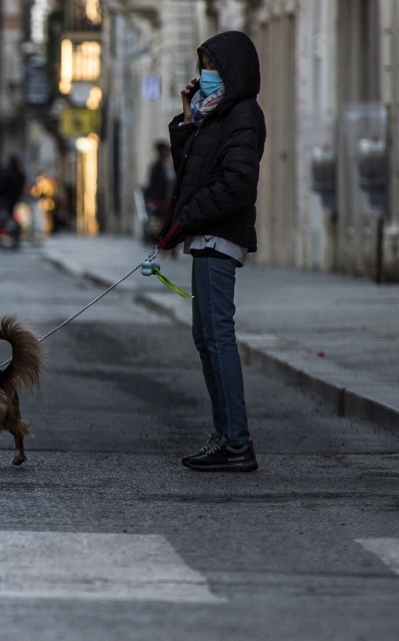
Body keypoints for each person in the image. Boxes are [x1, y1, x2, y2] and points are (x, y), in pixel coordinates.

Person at [158, 31, 266, 473]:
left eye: (213, 67)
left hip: (219, 236)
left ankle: (236, 442)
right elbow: (190, 170)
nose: (205, 75)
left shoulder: (243, 116)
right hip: (205, 236)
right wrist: (187, 119)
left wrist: (189, 218)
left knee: (218, 338)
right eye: (203, 66)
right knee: (205, 339)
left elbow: (236, 185)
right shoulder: (213, 115)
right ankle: (225, 436)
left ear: (233, 71)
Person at [141, 140, 175, 244]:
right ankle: (162, 241)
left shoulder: (167, 164)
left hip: (166, 198)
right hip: (161, 199)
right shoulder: (158, 166)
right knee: (163, 221)